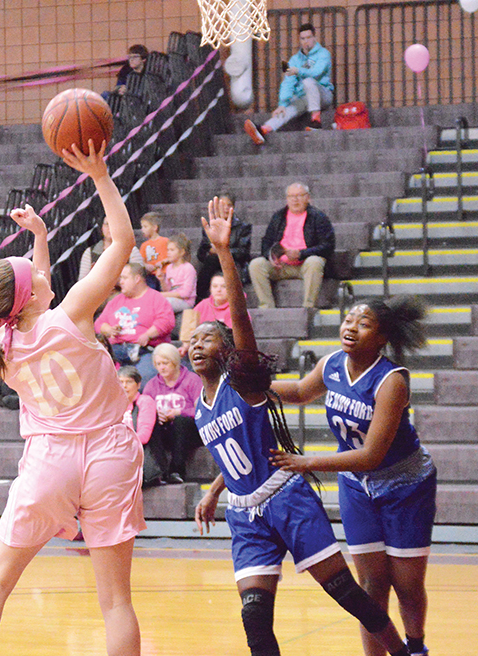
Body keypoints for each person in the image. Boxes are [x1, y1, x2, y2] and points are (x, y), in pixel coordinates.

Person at [191, 197, 411, 656]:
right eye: (191, 339)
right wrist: (213, 492)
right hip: (244, 512)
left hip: (286, 498)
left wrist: (225, 253)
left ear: (228, 351)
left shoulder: (244, 382)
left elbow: (240, 319)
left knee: (347, 594)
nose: (195, 345)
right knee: (254, 617)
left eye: (206, 338)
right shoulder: (200, 408)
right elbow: (238, 453)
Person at [0, 140, 145, 656]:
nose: (43, 270)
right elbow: (123, 241)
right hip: (108, 453)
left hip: (49, 461)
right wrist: (100, 175)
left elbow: (28, 296)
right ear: (32, 294)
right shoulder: (73, 313)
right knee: (116, 602)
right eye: (36, 271)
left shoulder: (1, 344)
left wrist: (39, 237)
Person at [270, 296, 436, 656]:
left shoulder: (391, 381)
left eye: (364, 324)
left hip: (405, 485)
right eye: (349, 320)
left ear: (381, 337)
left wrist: (306, 462)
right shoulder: (331, 364)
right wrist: (252, 387)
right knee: (371, 584)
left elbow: (371, 456)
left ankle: (416, 648)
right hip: (357, 486)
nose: (351, 327)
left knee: (407, 586)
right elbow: (298, 392)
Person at [248, 182, 334, 309]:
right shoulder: (278, 217)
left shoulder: (318, 217)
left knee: (315, 262)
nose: (295, 200)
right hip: (281, 266)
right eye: (291, 196)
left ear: (308, 198)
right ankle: (267, 307)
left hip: (305, 265)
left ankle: (308, 307)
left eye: (299, 196)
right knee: (256, 264)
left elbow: (328, 246)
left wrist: (301, 254)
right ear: (286, 199)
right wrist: (271, 257)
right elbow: (266, 242)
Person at [244, 23, 334, 143]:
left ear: (314, 38)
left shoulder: (323, 53)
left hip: (323, 95)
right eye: (303, 38)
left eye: (308, 37)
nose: (306, 41)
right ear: (299, 40)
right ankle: (264, 130)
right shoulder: (294, 60)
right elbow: (287, 82)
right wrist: (282, 104)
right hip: (304, 98)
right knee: (287, 109)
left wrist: (298, 71)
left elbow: (317, 72)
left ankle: (316, 121)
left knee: (308, 82)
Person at [94, 262, 176, 388]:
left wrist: (148, 335)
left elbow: (166, 321)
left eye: (124, 278)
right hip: (116, 352)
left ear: (137, 279)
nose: (120, 282)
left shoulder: (156, 298)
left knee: (144, 379)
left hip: (145, 350)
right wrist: (109, 329)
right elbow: (98, 323)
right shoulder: (116, 301)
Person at [144, 343, 203, 484]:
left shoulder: (192, 380)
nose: (162, 367)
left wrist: (180, 412)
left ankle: (176, 470)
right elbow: (143, 410)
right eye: (158, 364)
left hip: (190, 431)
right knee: (151, 423)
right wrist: (156, 415)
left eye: (165, 363)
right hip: (165, 432)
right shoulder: (152, 385)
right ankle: (157, 472)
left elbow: (203, 411)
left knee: (180, 421)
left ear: (175, 362)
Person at [195, 191, 251, 301]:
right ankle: (200, 300)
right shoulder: (210, 226)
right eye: (222, 205)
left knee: (216, 259)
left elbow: (243, 252)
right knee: (210, 260)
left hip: (234, 262)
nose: (225, 208)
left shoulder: (243, 227)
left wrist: (223, 250)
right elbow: (201, 253)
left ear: (233, 207)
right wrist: (210, 251)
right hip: (212, 261)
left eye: (229, 205)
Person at [118, 365, 168, 487]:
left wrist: (118, 445)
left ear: (138, 385)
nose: (124, 386)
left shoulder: (145, 401)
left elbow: (143, 437)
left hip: (147, 460)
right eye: (121, 382)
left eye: (129, 382)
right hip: (122, 455)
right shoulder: (115, 405)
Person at [178, 273, 233, 358]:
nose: (219, 290)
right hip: (199, 350)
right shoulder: (203, 304)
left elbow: (231, 338)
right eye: (215, 286)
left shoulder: (236, 308)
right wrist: (185, 347)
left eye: (224, 286)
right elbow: (188, 328)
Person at [78, 216, 144, 280]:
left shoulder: (131, 250)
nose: (110, 228)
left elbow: (138, 278)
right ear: (101, 227)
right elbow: (82, 281)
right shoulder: (90, 252)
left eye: (114, 224)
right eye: (107, 224)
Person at [157, 233, 197, 313]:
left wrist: (163, 295)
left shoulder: (188, 268)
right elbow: (167, 289)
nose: (168, 253)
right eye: (168, 250)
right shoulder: (169, 268)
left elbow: (186, 293)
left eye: (172, 250)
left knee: (164, 303)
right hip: (172, 298)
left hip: (186, 302)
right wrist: (162, 280)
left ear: (182, 252)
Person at [139, 211, 169, 291]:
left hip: (164, 273)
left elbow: (171, 257)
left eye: (145, 227)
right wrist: (146, 266)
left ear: (155, 227)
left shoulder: (165, 241)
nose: (142, 229)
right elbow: (142, 261)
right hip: (151, 275)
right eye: (142, 227)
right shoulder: (144, 245)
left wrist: (163, 262)